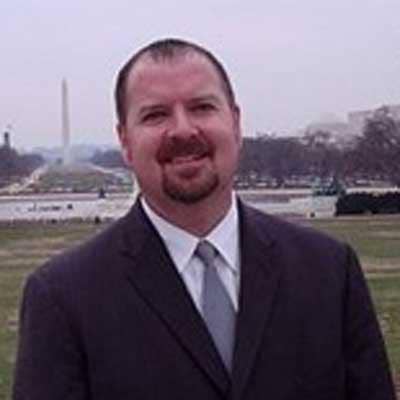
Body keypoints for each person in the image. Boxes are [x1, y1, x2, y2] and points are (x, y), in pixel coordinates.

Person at [13, 38, 395, 400]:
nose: (182, 129)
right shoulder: (63, 297)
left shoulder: (329, 271)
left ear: (236, 123)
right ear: (125, 141)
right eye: (155, 114)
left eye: (202, 107)